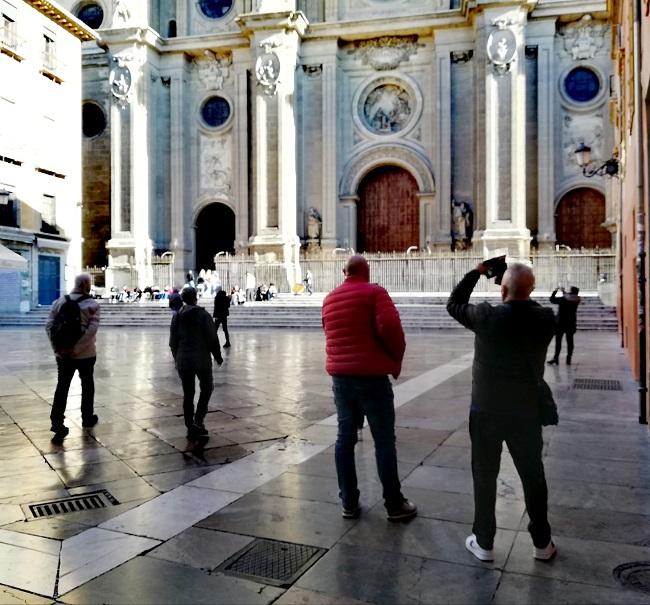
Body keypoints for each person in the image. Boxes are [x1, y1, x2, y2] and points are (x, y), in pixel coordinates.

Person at [447, 262, 557, 562]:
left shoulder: (487, 316)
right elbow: (528, 305)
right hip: (526, 411)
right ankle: (542, 543)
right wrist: (517, 289)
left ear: (502, 288)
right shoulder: (546, 319)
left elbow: (454, 303)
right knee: (533, 475)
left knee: (484, 475)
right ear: (532, 289)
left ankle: (483, 541)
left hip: (487, 411)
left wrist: (477, 271)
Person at [322, 255, 417, 521]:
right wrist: (395, 359)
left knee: (345, 440)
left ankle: (349, 502)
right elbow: (392, 329)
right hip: (373, 379)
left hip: (341, 379)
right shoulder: (375, 293)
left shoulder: (329, 298)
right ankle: (394, 504)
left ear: (345, 272)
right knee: (384, 441)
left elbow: (328, 331)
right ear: (367, 271)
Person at [45, 273, 101, 441]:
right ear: (85, 284)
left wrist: (59, 349)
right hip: (86, 354)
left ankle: (57, 422)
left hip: (63, 355)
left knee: (62, 387)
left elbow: (49, 326)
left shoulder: (59, 301)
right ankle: (87, 417)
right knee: (87, 384)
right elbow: (91, 331)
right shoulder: (92, 304)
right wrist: (75, 349)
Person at [169, 287, 223, 441]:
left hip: (184, 360)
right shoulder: (203, 315)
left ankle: (190, 424)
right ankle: (199, 420)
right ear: (196, 297)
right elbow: (212, 337)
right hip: (201, 359)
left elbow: (173, 341)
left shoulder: (177, 316)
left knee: (188, 393)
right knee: (207, 388)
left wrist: (176, 358)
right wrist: (217, 356)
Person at [547, 286, 581, 365]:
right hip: (571, 323)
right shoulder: (577, 299)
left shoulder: (563, 299)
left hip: (560, 323)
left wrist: (555, 291)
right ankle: (568, 359)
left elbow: (552, 300)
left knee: (558, 342)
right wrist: (564, 292)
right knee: (570, 341)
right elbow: (569, 296)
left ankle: (556, 358)